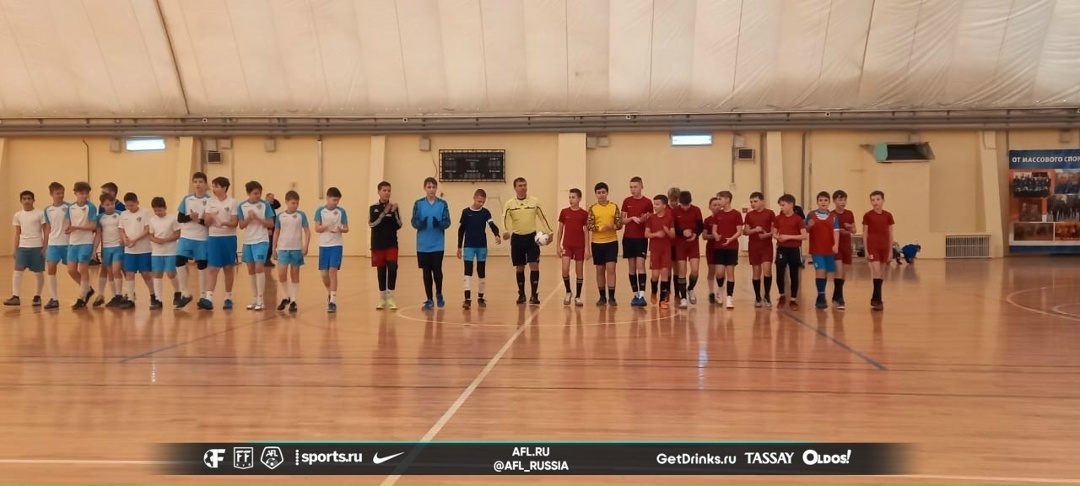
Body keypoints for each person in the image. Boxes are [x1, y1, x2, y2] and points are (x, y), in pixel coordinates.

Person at [502, 177, 553, 305]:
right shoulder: (510, 204)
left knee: (534, 264)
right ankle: (521, 294)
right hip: (517, 239)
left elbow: (543, 217)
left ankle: (534, 295)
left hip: (531, 238)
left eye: (525, 185)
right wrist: (505, 231)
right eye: (520, 185)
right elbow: (504, 218)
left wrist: (550, 231)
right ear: (515, 188)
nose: (523, 187)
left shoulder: (535, 202)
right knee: (520, 267)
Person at [198, 177, 239, 311]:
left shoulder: (233, 202)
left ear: (224, 188)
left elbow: (234, 223)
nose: (214, 189)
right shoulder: (210, 202)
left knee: (228, 268)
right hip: (214, 238)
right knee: (213, 268)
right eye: (213, 186)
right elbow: (206, 222)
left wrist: (224, 223)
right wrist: (210, 216)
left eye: (216, 186)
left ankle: (228, 297)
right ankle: (209, 298)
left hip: (228, 238)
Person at [411, 177, 452, 310]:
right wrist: (420, 224)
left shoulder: (442, 204)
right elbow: (413, 221)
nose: (431, 190)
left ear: (436, 188)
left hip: (437, 244)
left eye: (433, 187)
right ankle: (429, 299)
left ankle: (439, 294)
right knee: (426, 272)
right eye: (429, 187)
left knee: (437, 271)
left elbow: (447, 222)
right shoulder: (418, 204)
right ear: (425, 188)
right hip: (423, 245)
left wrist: (439, 224)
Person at [457, 188, 501, 309]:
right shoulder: (466, 212)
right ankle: (467, 299)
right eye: (479, 201)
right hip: (469, 246)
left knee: (481, 271)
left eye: (483, 202)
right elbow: (461, 230)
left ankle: (481, 297)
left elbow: (492, 225)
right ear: (474, 198)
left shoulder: (485, 212)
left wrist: (497, 234)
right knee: (468, 270)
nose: (481, 204)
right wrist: (459, 246)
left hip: (481, 246)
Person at [237, 181, 275, 311]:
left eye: (259, 193)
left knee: (259, 267)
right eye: (255, 193)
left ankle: (260, 299)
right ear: (249, 193)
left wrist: (258, 218)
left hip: (261, 240)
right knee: (251, 269)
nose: (258, 195)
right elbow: (241, 225)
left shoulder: (265, 205)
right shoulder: (242, 206)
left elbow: (270, 223)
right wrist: (249, 218)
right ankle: (254, 298)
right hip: (248, 241)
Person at [176, 172, 211, 309]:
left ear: (205, 183)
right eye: (195, 182)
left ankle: (203, 296)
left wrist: (199, 220)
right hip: (186, 236)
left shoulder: (210, 200)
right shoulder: (187, 199)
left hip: (201, 237)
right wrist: (190, 217)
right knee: (179, 261)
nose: (198, 184)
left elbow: (209, 222)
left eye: (200, 182)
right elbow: (180, 218)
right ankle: (185, 293)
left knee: (202, 265)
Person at [5, 190, 45, 307]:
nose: (27, 201)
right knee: (18, 270)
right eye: (24, 199)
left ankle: (37, 296)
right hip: (23, 247)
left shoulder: (40, 214)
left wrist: (45, 246)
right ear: (21, 201)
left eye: (29, 198)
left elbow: (45, 230)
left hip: (37, 246)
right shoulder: (18, 215)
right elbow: (17, 233)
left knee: (38, 272)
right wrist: (15, 248)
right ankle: (15, 296)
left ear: (33, 200)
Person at [273, 190, 310, 313]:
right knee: (281, 273)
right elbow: (276, 232)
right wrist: (273, 248)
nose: (295, 205)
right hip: (283, 248)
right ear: (286, 202)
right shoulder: (280, 216)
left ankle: (293, 300)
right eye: (293, 203)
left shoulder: (301, 215)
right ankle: (285, 297)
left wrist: (306, 246)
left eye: (297, 203)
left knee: (294, 274)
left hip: (296, 249)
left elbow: (307, 231)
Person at [587, 182, 623, 306]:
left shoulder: (614, 206)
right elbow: (589, 225)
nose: (601, 195)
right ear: (596, 194)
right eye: (599, 193)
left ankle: (612, 297)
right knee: (600, 270)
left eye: (603, 192)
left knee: (611, 269)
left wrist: (613, 226)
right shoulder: (592, 208)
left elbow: (619, 223)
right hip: (597, 243)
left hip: (611, 242)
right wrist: (601, 228)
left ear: (607, 193)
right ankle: (602, 297)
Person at [118, 193, 154, 309]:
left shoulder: (144, 212)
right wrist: (124, 239)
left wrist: (135, 240)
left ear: (137, 202)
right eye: (127, 206)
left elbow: (147, 229)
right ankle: (130, 299)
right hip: (129, 250)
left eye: (132, 205)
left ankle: (153, 295)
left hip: (143, 249)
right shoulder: (123, 214)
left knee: (145, 273)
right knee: (129, 273)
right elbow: (121, 229)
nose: (130, 208)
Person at [315, 187, 349, 313]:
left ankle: (333, 301)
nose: (336, 202)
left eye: (337, 200)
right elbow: (317, 228)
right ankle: (329, 292)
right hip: (324, 245)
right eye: (334, 200)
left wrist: (341, 229)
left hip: (336, 245)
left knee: (333, 271)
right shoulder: (320, 211)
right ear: (327, 198)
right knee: (324, 274)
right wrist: (326, 227)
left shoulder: (341, 212)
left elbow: (346, 228)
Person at [66, 182, 98, 309]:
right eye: (81, 193)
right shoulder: (71, 207)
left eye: (86, 193)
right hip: (73, 242)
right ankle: (87, 289)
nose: (84, 195)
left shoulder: (91, 207)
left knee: (83, 269)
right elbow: (69, 222)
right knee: (71, 270)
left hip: (85, 242)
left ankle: (81, 297)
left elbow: (93, 226)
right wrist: (68, 228)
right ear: (75, 193)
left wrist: (77, 227)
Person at [806, 191, 840, 309]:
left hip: (828, 249)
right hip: (817, 248)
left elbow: (836, 232)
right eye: (820, 200)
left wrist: (836, 245)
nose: (823, 202)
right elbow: (806, 229)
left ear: (829, 202)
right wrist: (809, 225)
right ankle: (821, 297)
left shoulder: (833, 216)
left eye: (825, 200)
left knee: (825, 272)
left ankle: (822, 294)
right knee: (820, 270)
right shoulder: (811, 215)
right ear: (817, 202)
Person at [621, 176, 652, 306]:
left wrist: (644, 219)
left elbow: (650, 219)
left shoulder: (647, 202)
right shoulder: (626, 201)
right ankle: (635, 294)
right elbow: (622, 221)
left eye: (635, 187)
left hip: (641, 239)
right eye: (631, 187)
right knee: (632, 267)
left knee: (641, 265)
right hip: (628, 238)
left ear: (641, 187)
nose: (633, 189)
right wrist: (632, 218)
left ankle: (642, 295)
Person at [369, 182, 401, 310]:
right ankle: (382, 298)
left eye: (389, 190)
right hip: (378, 244)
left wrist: (393, 213)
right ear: (379, 192)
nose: (387, 192)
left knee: (392, 268)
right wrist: (384, 212)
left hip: (391, 244)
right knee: (381, 271)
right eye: (384, 190)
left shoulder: (394, 207)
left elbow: (399, 225)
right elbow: (372, 224)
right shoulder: (373, 208)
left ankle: (391, 297)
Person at [773, 194, 807, 310]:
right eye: (780, 205)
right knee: (780, 271)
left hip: (794, 249)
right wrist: (777, 237)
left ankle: (793, 299)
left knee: (794, 274)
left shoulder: (798, 219)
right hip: (782, 248)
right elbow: (774, 233)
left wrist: (788, 237)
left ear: (791, 204)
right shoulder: (778, 218)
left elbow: (804, 236)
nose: (781, 207)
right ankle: (782, 295)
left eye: (783, 205)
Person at [862, 190, 895, 311]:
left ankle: (875, 298)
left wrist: (890, 251)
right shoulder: (868, 215)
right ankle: (878, 300)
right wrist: (866, 250)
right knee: (876, 271)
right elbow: (865, 233)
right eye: (873, 200)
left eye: (878, 199)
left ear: (883, 200)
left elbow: (890, 233)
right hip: (873, 247)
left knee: (881, 273)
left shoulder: (888, 215)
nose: (875, 202)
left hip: (884, 247)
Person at [710, 191, 742, 309]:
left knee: (730, 272)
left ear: (727, 199)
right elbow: (714, 230)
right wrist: (716, 235)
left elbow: (739, 231)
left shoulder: (736, 214)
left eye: (720, 199)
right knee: (719, 273)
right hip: (719, 247)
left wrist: (731, 239)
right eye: (717, 199)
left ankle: (729, 297)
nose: (718, 201)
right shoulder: (718, 214)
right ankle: (720, 289)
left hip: (732, 247)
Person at [148, 197, 181, 310]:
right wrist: (155, 240)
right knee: (157, 274)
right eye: (155, 210)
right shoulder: (152, 220)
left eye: (160, 210)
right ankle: (158, 299)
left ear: (165, 208)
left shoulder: (172, 219)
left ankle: (177, 292)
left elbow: (177, 234)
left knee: (171, 272)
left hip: (170, 250)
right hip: (157, 252)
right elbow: (150, 235)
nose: (158, 212)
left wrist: (165, 240)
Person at [672, 191, 703, 308]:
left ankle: (690, 288)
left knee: (695, 270)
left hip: (693, 244)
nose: (685, 208)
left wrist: (695, 234)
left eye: (687, 205)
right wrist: (682, 232)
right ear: (679, 202)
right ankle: (683, 297)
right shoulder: (675, 211)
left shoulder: (696, 210)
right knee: (682, 270)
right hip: (680, 244)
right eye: (683, 205)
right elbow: (673, 227)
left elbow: (700, 225)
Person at [557, 188, 589, 307]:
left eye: (573, 197)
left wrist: (587, 248)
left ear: (579, 199)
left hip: (579, 246)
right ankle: (568, 291)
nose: (571, 199)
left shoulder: (584, 214)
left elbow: (586, 232)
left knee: (579, 271)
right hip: (567, 245)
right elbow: (560, 229)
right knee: (565, 269)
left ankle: (578, 296)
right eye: (570, 197)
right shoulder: (564, 212)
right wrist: (558, 245)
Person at [744, 191, 776, 307]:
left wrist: (766, 235)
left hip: (766, 246)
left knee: (767, 270)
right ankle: (757, 297)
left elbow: (773, 230)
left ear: (762, 201)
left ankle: (767, 295)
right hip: (754, 246)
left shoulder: (770, 213)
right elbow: (745, 231)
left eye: (755, 201)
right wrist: (755, 230)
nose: (753, 204)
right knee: (756, 272)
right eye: (751, 202)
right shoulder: (749, 215)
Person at [42, 182, 70, 310]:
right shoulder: (47, 210)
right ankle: (54, 298)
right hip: (53, 243)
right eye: (58, 193)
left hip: (67, 243)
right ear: (51, 194)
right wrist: (45, 245)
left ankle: (86, 289)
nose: (61, 195)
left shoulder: (69, 207)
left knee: (73, 270)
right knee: (51, 268)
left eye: (62, 193)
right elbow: (47, 227)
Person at [94, 193, 125, 308]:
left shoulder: (120, 215)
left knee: (116, 270)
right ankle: (114, 296)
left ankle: (119, 294)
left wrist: (124, 240)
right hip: (106, 248)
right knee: (110, 272)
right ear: (102, 205)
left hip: (118, 247)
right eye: (107, 205)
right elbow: (98, 234)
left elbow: (124, 230)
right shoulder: (100, 218)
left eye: (112, 204)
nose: (110, 206)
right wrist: (94, 250)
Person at [645, 194, 675, 309]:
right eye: (654, 204)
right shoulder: (651, 218)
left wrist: (667, 232)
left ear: (664, 206)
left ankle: (663, 300)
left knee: (665, 274)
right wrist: (656, 234)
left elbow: (673, 235)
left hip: (666, 250)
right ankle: (654, 292)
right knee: (655, 275)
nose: (655, 206)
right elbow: (646, 234)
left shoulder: (669, 219)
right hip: (655, 250)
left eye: (657, 204)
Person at [831, 190, 855, 307]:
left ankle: (836, 295)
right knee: (839, 271)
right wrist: (837, 231)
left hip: (846, 245)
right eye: (840, 199)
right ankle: (840, 299)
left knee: (843, 274)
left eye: (844, 200)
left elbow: (854, 230)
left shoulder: (849, 213)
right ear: (834, 201)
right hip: (836, 245)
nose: (843, 202)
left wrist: (849, 227)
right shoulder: (831, 214)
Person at [702, 196, 720, 304]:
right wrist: (714, 236)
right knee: (711, 270)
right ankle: (711, 292)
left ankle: (719, 293)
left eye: (718, 205)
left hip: (722, 248)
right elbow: (704, 236)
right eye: (714, 205)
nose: (717, 207)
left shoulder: (724, 219)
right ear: (710, 207)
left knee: (721, 272)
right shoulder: (708, 220)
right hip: (711, 248)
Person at [264, 193, 280, 268]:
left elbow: (278, 205)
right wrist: (269, 229)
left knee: (272, 244)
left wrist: (272, 200)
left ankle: (268, 259)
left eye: (273, 198)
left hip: (273, 227)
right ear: (267, 198)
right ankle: (266, 260)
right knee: (269, 244)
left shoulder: (272, 205)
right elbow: (266, 218)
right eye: (271, 198)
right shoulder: (265, 206)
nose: (273, 199)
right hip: (269, 228)